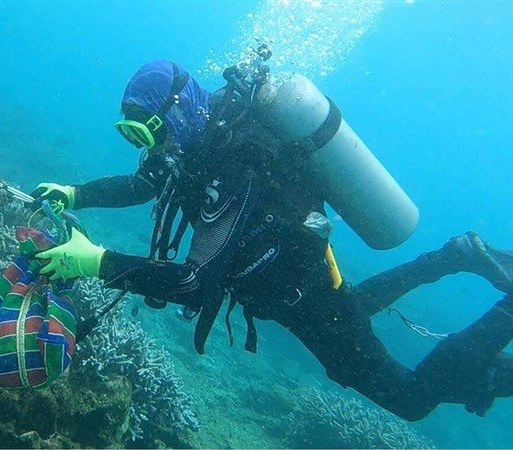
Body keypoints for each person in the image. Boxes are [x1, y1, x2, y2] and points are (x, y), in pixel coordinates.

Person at [31, 60, 513, 421]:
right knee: (352, 307)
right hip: (294, 287)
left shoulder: (232, 166)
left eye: (147, 132)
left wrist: (97, 262)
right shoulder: (195, 144)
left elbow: (195, 285)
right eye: (133, 136)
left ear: (176, 112)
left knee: (409, 399)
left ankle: (493, 302)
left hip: (302, 291)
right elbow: (144, 183)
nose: (148, 149)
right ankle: (452, 258)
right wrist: (77, 193)